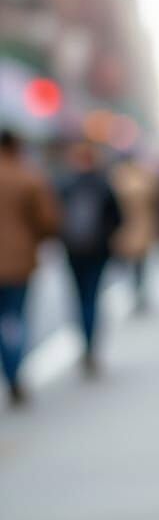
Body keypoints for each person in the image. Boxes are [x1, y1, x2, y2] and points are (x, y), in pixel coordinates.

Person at [0, 129, 60, 404]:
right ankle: (14, 375)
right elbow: (48, 221)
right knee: (13, 318)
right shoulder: (28, 176)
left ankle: (10, 372)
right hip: (17, 264)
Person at [57, 141, 122, 373]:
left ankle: (83, 344)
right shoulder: (103, 184)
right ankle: (91, 347)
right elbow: (117, 218)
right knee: (92, 297)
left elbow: (55, 218)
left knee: (78, 297)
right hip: (98, 250)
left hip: (73, 250)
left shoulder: (65, 184)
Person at [110, 154, 159, 311]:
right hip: (141, 227)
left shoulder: (118, 180)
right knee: (140, 264)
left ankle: (136, 292)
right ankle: (139, 292)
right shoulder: (145, 179)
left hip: (127, 227)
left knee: (130, 264)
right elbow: (156, 201)